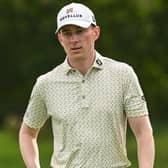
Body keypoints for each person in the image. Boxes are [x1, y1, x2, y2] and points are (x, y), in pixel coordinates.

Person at [19, 2, 155, 168]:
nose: (74, 39)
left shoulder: (123, 74)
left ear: (95, 32)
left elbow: (143, 132)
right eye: (67, 33)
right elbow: (27, 133)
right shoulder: (46, 83)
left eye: (80, 31)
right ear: (60, 38)